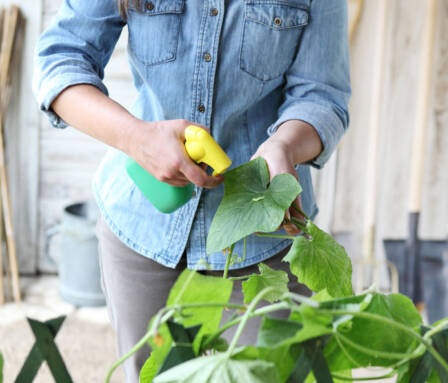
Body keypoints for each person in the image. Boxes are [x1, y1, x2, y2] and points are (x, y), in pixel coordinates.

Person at [33, 0, 350, 381]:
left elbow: (322, 96)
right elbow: (62, 59)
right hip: (142, 226)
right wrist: (137, 138)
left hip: (263, 241)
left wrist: (284, 146)